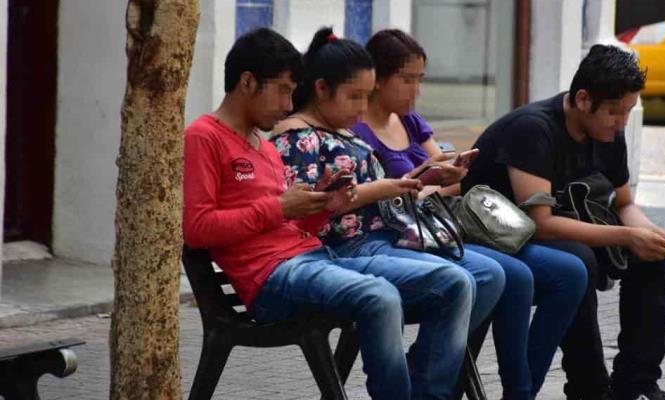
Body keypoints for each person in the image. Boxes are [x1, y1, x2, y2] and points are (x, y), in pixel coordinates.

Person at [182, 28, 473, 400]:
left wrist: (324, 206)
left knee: (455, 283)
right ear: (248, 82)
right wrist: (279, 207)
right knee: (380, 296)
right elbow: (197, 228)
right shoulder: (204, 136)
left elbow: (289, 224)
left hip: (314, 258)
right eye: (283, 90)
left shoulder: (262, 146)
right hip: (269, 279)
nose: (289, 104)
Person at [351, 28, 587, 400]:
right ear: (377, 79)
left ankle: (519, 390)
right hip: (404, 237)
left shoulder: (409, 121)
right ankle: (458, 377)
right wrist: (426, 182)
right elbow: (372, 202)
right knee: (513, 276)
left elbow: (449, 181)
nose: (416, 90)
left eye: (420, 79)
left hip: (443, 225)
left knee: (570, 271)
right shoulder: (359, 131)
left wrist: (449, 175)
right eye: (407, 79)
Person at [270, 27, 504, 399]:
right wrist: (383, 189)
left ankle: (422, 374)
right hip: (347, 247)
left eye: (366, 96)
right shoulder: (298, 138)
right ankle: (426, 389)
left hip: (387, 237)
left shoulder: (342, 130)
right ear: (321, 89)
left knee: (489, 275)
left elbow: (377, 188)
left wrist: (423, 177)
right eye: (355, 96)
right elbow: (308, 208)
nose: (363, 108)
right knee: (457, 283)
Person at [462, 44, 665, 400]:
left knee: (653, 258)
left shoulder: (609, 133)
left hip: (561, 229)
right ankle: (589, 388)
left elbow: (624, 204)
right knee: (578, 260)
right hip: (499, 237)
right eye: (615, 112)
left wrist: (656, 235)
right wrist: (628, 235)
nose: (622, 123)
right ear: (583, 99)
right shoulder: (533, 129)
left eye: (629, 112)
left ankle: (636, 384)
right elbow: (541, 223)